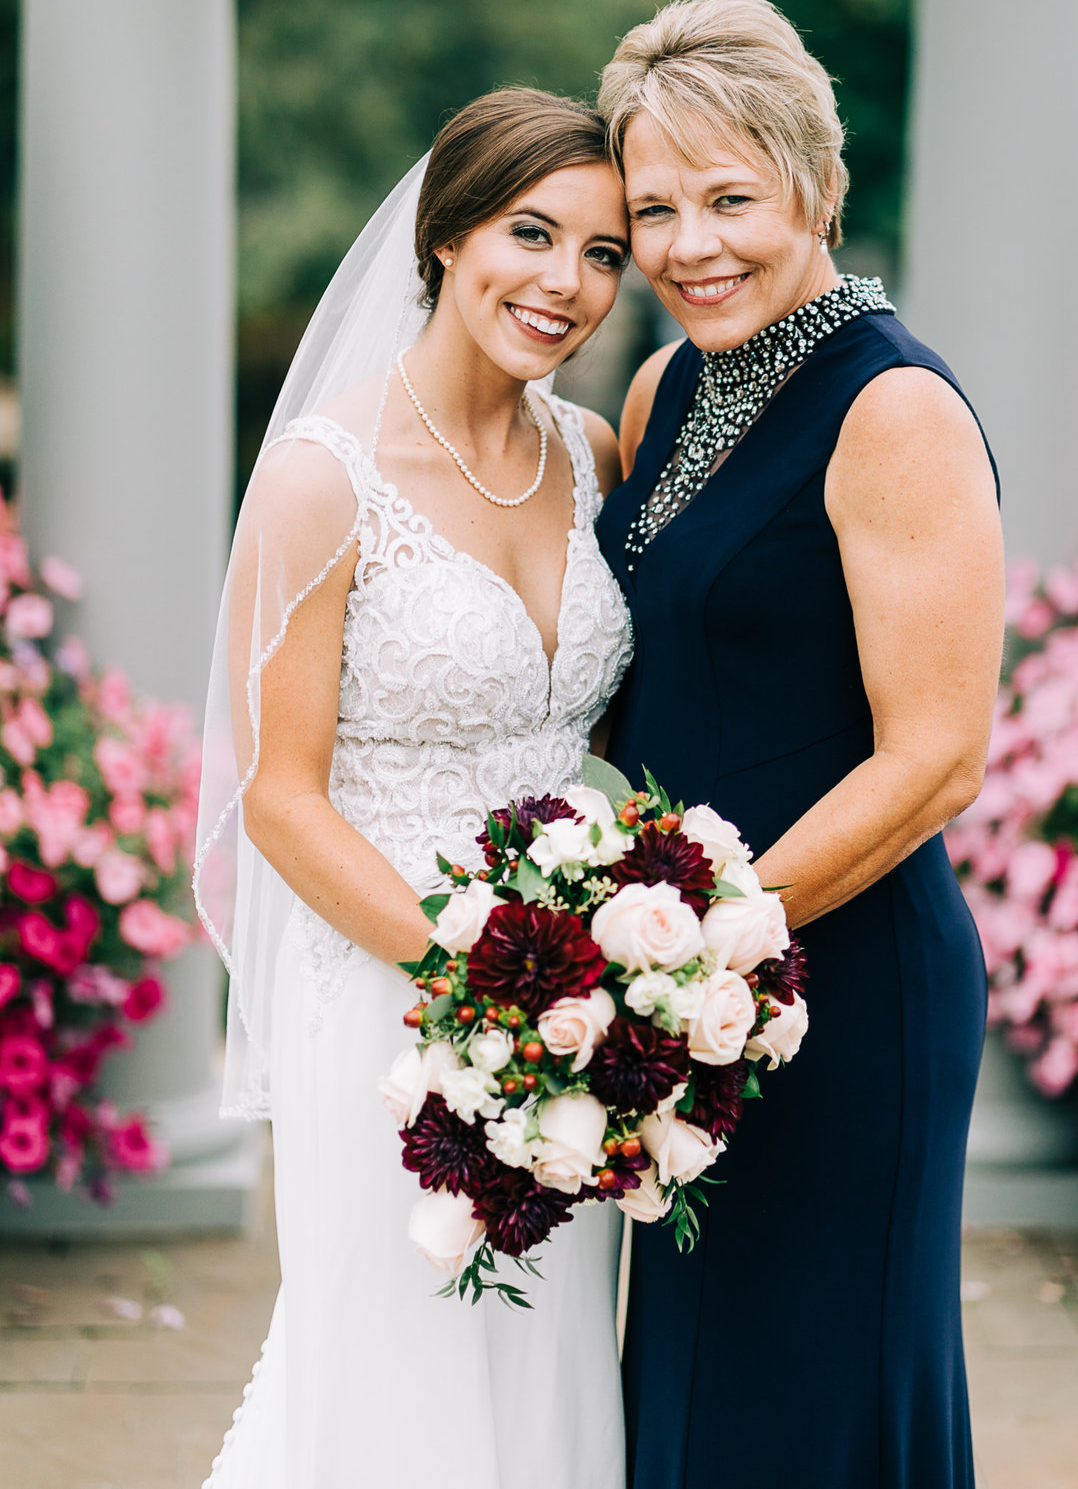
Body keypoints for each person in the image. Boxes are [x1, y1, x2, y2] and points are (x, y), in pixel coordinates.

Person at [590, 0, 1002, 1489]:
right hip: (684, 983)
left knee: (807, 1404)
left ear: (816, 189)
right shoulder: (665, 384)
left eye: (730, 199)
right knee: (693, 1393)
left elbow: (936, 756)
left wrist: (696, 946)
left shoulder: (890, 407)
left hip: (843, 989)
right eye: (653, 208)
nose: (690, 244)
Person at [196, 89, 637, 1487]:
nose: (568, 281)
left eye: (606, 251)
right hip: (395, 993)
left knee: (545, 1362)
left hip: (573, 1008)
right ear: (447, 235)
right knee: (398, 1372)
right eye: (532, 231)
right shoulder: (325, 479)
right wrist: (476, 973)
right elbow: (280, 793)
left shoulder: (593, 455)